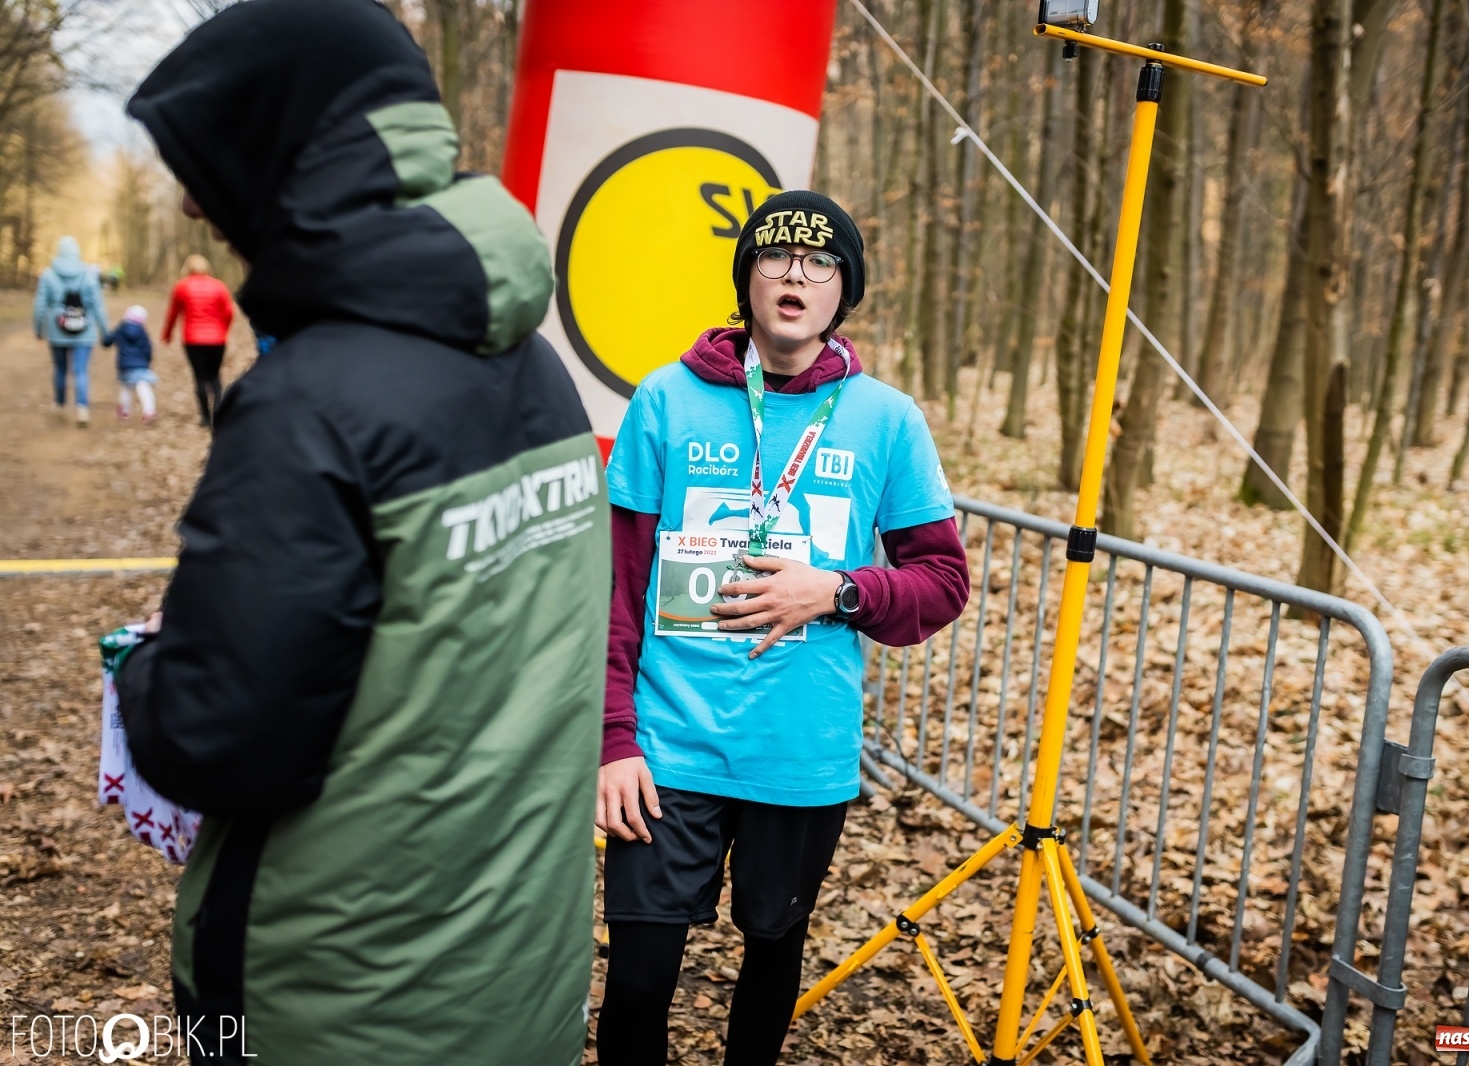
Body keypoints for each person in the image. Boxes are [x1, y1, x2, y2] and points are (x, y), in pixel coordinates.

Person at [115, 1, 607, 1063]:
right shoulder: (533, 362)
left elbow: (217, 741)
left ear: (284, 153)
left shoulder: (310, 404)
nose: (197, 208)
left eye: (211, 165)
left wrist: (149, 665)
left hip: (337, 1004)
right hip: (517, 980)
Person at [596, 189, 971, 1066]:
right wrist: (614, 739)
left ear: (846, 290)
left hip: (799, 751)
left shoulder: (886, 419)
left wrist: (835, 591)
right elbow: (617, 588)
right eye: (775, 257)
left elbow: (942, 581)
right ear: (747, 280)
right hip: (667, 744)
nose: (795, 274)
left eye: (820, 262)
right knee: (640, 981)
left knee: (771, 958)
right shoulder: (666, 400)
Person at [33, 235, 109, 426]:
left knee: (60, 369)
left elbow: (40, 305)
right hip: (85, 330)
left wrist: (38, 329)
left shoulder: (48, 275)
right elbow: (98, 306)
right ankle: (82, 409)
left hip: (57, 330)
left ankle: (59, 405)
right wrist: (104, 330)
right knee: (81, 371)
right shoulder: (89, 274)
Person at [161, 253, 235, 427]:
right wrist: (224, 330)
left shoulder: (182, 286)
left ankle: (205, 417)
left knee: (200, 377)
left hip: (193, 340)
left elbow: (173, 313)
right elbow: (229, 312)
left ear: (188, 268)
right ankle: (218, 412)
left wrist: (167, 334)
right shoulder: (219, 286)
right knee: (215, 377)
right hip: (217, 339)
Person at [104, 305, 158, 424]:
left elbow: (108, 340)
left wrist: (105, 340)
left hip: (125, 365)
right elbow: (148, 348)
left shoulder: (121, 328)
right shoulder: (142, 331)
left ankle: (124, 412)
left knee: (126, 388)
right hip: (141, 365)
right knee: (143, 387)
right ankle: (149, 410)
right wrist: (147, 361)